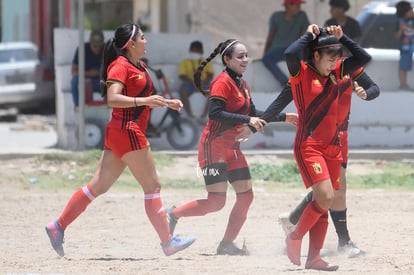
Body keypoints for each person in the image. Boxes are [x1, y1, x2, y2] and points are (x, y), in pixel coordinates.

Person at [45, 23, 196, 257]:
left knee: (97, 186)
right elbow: (112, 99)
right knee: (152, 186)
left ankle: (58, 226)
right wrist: (144, 102)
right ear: (132, 44)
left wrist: (167, 102)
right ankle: (168, 242)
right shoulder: (120, 66)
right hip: (127, 130)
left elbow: (145, 96)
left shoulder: (140, 66)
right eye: (143, 38)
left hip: (119, 132)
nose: (147, 41)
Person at [165, 39, 267, 255]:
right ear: (227, 59)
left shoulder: (242, 84)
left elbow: (254, 113)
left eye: (247, 55)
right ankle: (173, 214)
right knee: (216, 202)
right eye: (240, 56)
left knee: (246, 196)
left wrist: (285, 116)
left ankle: (226, 244)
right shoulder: (222, 82)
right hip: (214, 147)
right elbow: (215, 113)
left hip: (233, 148)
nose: (245, 60)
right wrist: (247, 120)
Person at [283, 24, 371, 271]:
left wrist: (344, 38)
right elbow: (290, 54)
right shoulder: (300, 73)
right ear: (316, 55)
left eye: (337, 59)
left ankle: (313, 258)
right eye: (330, 59)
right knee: (326, 197)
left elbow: (364, 58)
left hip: (333, 147)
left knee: (323, 203)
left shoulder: (337, 72)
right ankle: (294, 236)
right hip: (309, 145)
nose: (334, 64)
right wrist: (309, 35)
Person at [277, 67, 380, 258]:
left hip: (341, 136)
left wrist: (365, 93)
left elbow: (374, 88)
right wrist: (264, 118)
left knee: (332, 189)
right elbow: (283, 98)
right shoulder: (307, 71)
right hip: (317, 137)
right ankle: (344, 242)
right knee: (335, 190)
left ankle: (293, 220)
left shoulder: (348, 66)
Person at [262, 0, 309, 87]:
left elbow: (304, 35)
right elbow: (270, 36)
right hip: (278, 49)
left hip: (295, 48)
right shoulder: (276, 16)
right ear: (288, 5)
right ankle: (284, 82)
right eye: (297, 5)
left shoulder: (302, 15)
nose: (299, 8)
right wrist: (265, 52)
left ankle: (305, 83)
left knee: (306, 59)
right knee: (266, 58)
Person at [178, 40, 214, 122]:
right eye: (193, 50)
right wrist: (192, 81)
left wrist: (203, 82)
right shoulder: (185, 62)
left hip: (204, 83)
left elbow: (210, 74)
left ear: (201, 52)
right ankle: (190, 115)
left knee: (214, 92)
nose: (194, 52)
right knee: (182, 92)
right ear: (190, 51)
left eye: (196, 51)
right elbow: (182, 75)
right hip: (189, 84)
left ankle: (204, 116)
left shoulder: (206, 61)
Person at [71, 30, 105, 110]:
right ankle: (78, 107)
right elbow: (74, 72)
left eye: (99, 46)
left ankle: (111, 109)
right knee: (75, 80)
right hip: (86, 80)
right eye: (95, 46)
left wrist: (98, 73)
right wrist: (88, 73)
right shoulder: (82, 49)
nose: (97, 48)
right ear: (90, 42)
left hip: (100, 82)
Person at [395, 1, 414, 90]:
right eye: (410, 10)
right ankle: (403, 84)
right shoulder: (400, 22)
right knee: (403, 65)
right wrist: (401, 29)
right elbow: (397, 36)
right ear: (405, 12)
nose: (412, 11)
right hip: (405, 46)